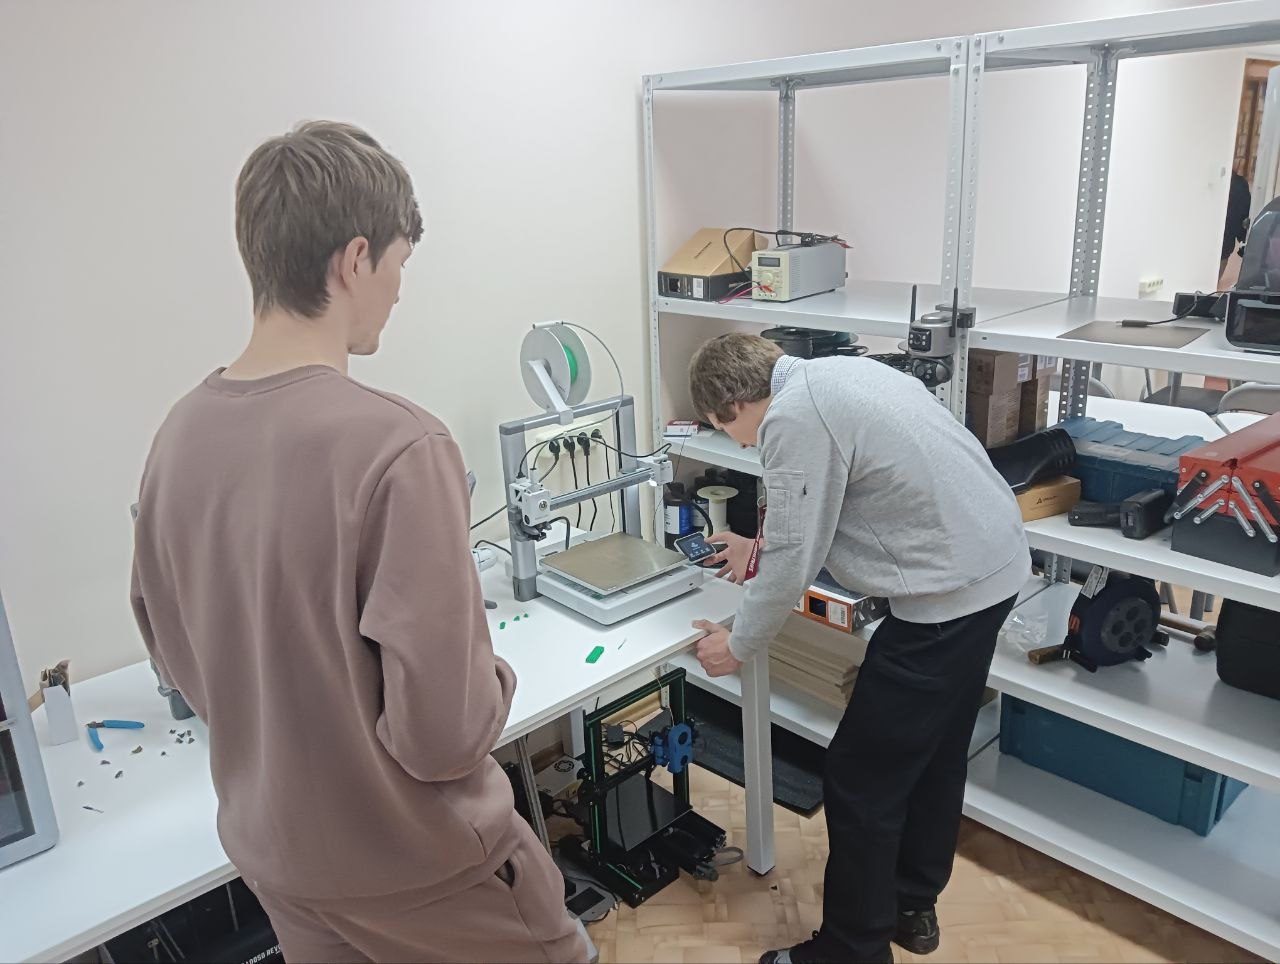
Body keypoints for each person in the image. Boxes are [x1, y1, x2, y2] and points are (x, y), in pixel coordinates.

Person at [130, 121, 588, 964]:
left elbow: (184, 664)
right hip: (424, 872)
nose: (399, 292)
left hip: (282, 868)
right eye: (398, 264)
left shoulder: (176, 437)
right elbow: (443, 735)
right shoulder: (400, 446)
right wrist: (494, 676)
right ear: (353, 261)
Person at [688, 333, 1029, 964]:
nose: (738, 445)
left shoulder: (792, 418)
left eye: (725, 429)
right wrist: (757, 550)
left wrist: (739, 644)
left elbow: (796, 552)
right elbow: (856, 504)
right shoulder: (840, 376)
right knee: (934, 751)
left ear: (731, 405)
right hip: (994, 571)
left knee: (860, 778)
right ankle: (911, 904)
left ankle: (852, 951)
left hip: (945, 602)